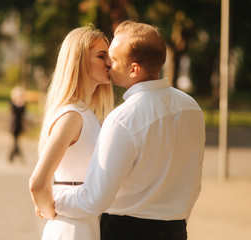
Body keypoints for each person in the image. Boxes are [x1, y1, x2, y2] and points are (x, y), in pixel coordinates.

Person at [51, 20, 206, 240]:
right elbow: (194, 187)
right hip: (177, 230)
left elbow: (92, 200)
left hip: (124, 230)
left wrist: (52, 197)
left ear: (134, 69)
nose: (107, 64)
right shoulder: (191, 108)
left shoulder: (122, 119)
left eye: (112, 59)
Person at [29, 25, 114, 240]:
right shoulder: (72, 115)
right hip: (72, 227)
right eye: (101, 56)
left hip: (85, 222)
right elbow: (38, 183)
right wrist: (52, 211)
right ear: (79, 60)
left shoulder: (86, 114)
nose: (109, 63)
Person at [8, 86, 27, 163]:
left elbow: (23, 112)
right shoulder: (12, 103)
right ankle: (16, 155)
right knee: (16, 142)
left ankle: (12, 155)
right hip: (13, 126)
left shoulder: (22, 104)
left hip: (19, 126)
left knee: (16, 142)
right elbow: (15, 111)